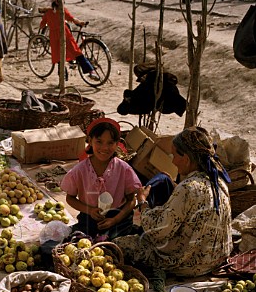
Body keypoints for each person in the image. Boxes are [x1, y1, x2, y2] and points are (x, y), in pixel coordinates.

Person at [114, 126, 233, 277]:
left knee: (119, 245)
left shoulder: (189, 188)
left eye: (174, 155)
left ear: (186, 159)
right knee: (164, 180)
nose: (173, 161)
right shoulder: (219, 180)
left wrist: (142, 202)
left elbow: (158, 231)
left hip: (191, 264)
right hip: (216, 257)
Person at [61, 118, 142, 241]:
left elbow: (131, 200)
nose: (104, 148)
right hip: (89, 216)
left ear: (117, 144)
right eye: (99, 141)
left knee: (112, 244)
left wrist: (115, 219)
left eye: (110, 143)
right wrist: (90, 210)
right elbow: (70, 198)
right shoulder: (80, 170)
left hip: (118, 218)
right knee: (80, 242)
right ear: (89, 141)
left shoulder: (123, 169)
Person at [39, 0, 100, 81]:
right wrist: (80, 22)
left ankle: (63, 78)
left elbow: (41, 25)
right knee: (77, 53)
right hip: (65, 34)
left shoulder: (48, 13)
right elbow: (72, 19)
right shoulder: (63, 11)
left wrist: (47, 21)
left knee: (59, 58)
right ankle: (91, 71)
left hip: (54, 36)